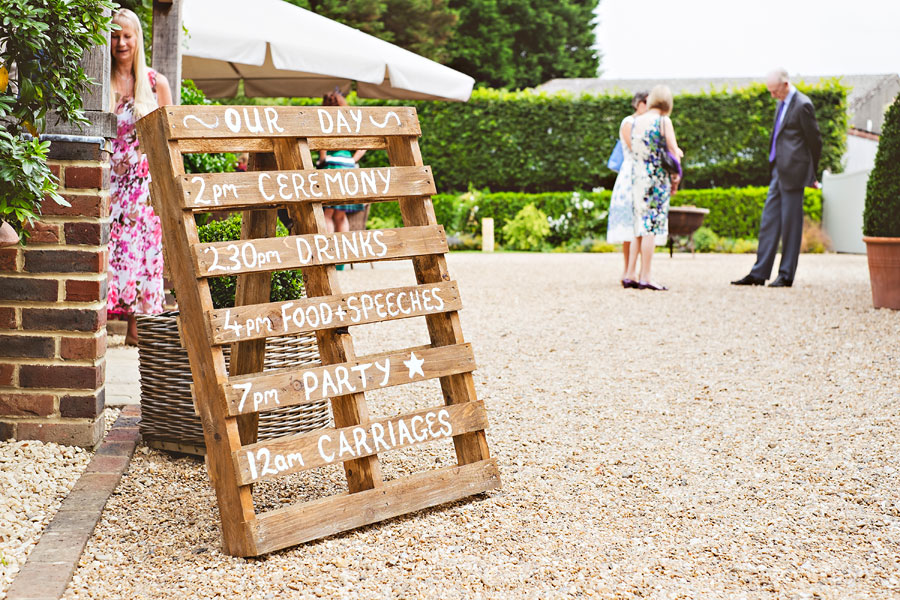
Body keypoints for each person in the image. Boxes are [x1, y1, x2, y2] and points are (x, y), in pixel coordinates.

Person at [107, 8, 172, 345]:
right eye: (115, 35)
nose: (121, 42)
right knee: (110, 249)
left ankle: (137, 326)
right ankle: (103, 318)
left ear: (138, 39)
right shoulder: (100, 81)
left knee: (141, 250)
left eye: (127, 35)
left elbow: (168, 141)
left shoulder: (154, 83)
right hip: (107, 186)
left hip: (142, 187)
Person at [732, 68, 822, 288]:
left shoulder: (803, 105)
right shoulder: (781, 103)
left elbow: (815, 142)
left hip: (794, 172)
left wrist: (811, 174)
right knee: (769, 222)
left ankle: (786, 275)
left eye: (774, 91)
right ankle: (759, 273)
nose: (772, 95)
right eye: (770, 92)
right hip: (778, 171)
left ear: (785, 84)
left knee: (791, 225)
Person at [624, 84, 682, 291]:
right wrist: (676, 177)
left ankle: (630, 274)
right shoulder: (663, 121)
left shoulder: (636, 121)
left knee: (639, 226)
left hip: (637, 178)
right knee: (651, 228)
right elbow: (673, 151)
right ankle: (646, 276)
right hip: (656, 179)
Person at [607, 91, 649, 287]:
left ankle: (637, 271)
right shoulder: (628, 122)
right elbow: (635, 148)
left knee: (639, 226)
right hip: (630, 174)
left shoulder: (647, 123)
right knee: (628, 226)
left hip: (642, 173)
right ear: (639, 104)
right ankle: (627, 270)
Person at [318, 90, 367, 236]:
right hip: (348, 165)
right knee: (341, 214)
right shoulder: (348, 121)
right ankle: (343, 251)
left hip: (331, 164)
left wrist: (322, 160)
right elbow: (364, 144)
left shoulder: (325, 120)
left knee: (327, 213)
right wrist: (352, 160)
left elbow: (322, 143)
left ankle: (330, 249)